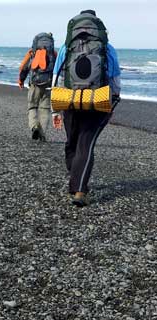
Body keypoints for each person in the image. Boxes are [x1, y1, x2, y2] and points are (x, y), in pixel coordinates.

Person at [52, 10, 121, 207]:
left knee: (72, 143)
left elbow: (56, 76)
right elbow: (115, 76)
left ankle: (78, 184)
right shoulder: (107, 48)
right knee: (85, 144)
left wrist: (55, 109)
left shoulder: (67, 47)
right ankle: (79, 187)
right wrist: (114, 99)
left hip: (70, 100)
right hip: (98, 100)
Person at [18, 32, 57, 141]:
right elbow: (58, 69)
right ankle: (42, 133)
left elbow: (24, 67)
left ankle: (34, 126)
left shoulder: (32, 53)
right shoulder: (53, 54)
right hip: (48, 85)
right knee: (45, 109)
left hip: (35, 85)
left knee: (32, 107)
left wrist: (21, 80)